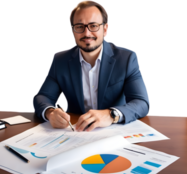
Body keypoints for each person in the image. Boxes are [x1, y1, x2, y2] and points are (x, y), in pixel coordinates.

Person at [32, 0, 150, 132]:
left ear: (105, 29)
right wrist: (50, 112)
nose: (87, 33)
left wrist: (111, 115)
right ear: (73, 30)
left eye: (93, 26)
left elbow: (142, 102)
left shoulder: (126, 58)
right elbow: (42, 97)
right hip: (76, 132)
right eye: (79, 26)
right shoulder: (60, 59)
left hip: (114, 131)